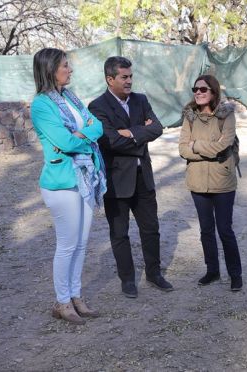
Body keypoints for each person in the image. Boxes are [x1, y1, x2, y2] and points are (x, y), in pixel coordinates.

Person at [30, 48, 106, 324]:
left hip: (84, 176)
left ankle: (76, 296)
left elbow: (97, 125)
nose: (70, 69)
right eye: (65, 65)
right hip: (61, 183)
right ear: (51, 70)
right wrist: (83, 136)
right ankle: (62, 302)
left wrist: (82, 132)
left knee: (82, 243)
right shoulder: (41, 105)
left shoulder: (70, 97)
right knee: (67, 244)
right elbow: (66, 143)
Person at [88, 56, 173, 298]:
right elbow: (109, 140)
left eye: (131, 77)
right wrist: (140, 134)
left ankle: (154, 274)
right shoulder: (97, 107)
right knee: (119, 233)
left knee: (151, 228)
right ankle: (127, 279)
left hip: (142, 176)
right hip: (117, 182)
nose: (129, 81)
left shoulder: (141, 100)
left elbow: (157, 128)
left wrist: (130, 134)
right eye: (124, 77)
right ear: (110, 79)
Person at [178, 75, 243, 291]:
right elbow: (182, 149)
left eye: (203, 89)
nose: (198, 92)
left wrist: (196, 145)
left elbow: (224, 146)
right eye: (195, 89)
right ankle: (212, 271)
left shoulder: (226, 114)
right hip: (197, 182)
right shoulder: (189, 116)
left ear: (213, 92)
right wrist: (204, 148)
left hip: (222, 180)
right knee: (206, 230)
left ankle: (235, 274)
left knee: (225, 229)